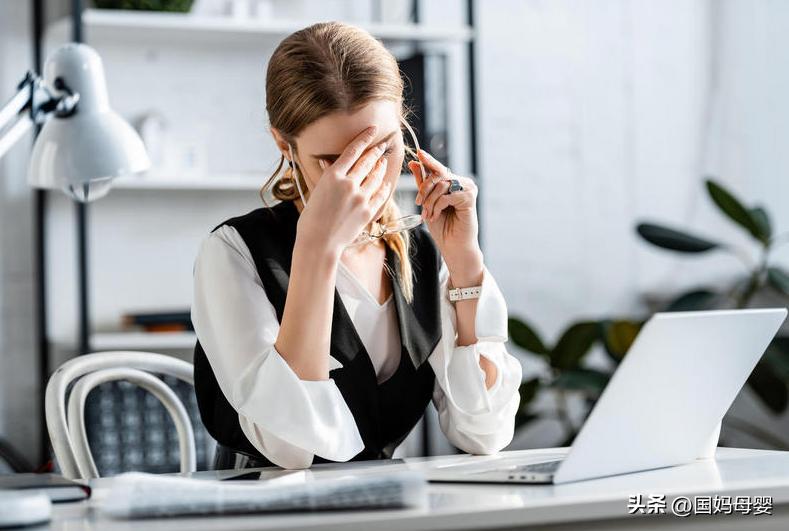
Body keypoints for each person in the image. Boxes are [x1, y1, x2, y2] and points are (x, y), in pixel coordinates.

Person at [191, 21, 522, 470]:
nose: (364, 179)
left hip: (384, 506)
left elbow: (483, 433)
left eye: (383, 149)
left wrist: (465, 264)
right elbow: (292, 451)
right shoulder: (234, 252)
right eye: (334, 161)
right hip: (263, 508)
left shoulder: (421, 253)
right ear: (283, 144)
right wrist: (316, 250)